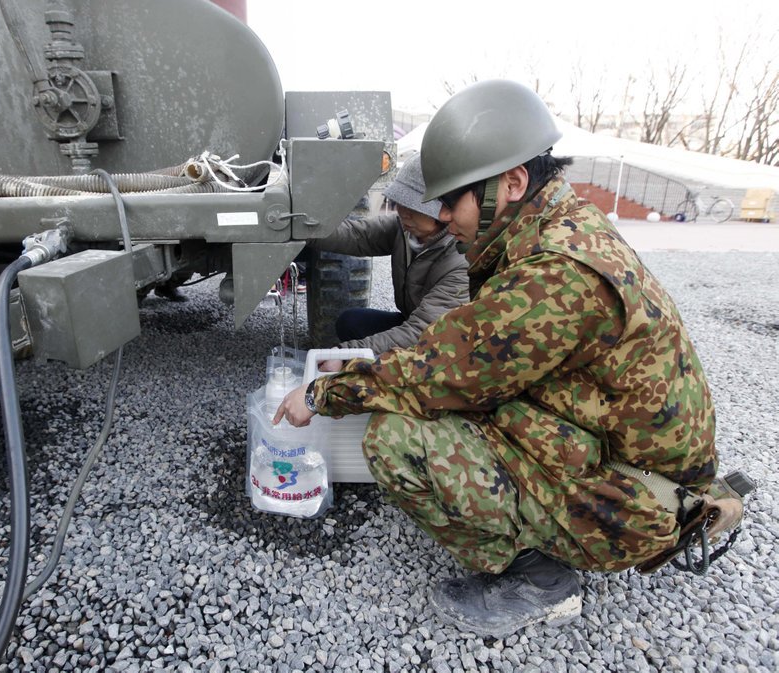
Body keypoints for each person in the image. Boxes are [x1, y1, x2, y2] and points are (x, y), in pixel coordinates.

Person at [274, 79, 719, 637]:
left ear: (511, 184)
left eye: (451, 200)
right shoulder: (562, 228)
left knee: (396, 438)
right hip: (631, 468)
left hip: (634, 503)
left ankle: (541, 579)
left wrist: (321, 393)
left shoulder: (556, 273)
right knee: (452, 404)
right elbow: (471, 364)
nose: (441, 216)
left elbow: (437, 373)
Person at [312, 154, 468, 362]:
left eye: (413, 206)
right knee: (351, 322)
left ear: (444, 210)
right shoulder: (404, 228)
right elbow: (357, 235)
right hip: (413, 320)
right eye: (400, 202)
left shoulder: (460, 259)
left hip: (443, 343)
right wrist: (303, 231)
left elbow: (422, 332)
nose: (403, 212)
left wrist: (345, 353)